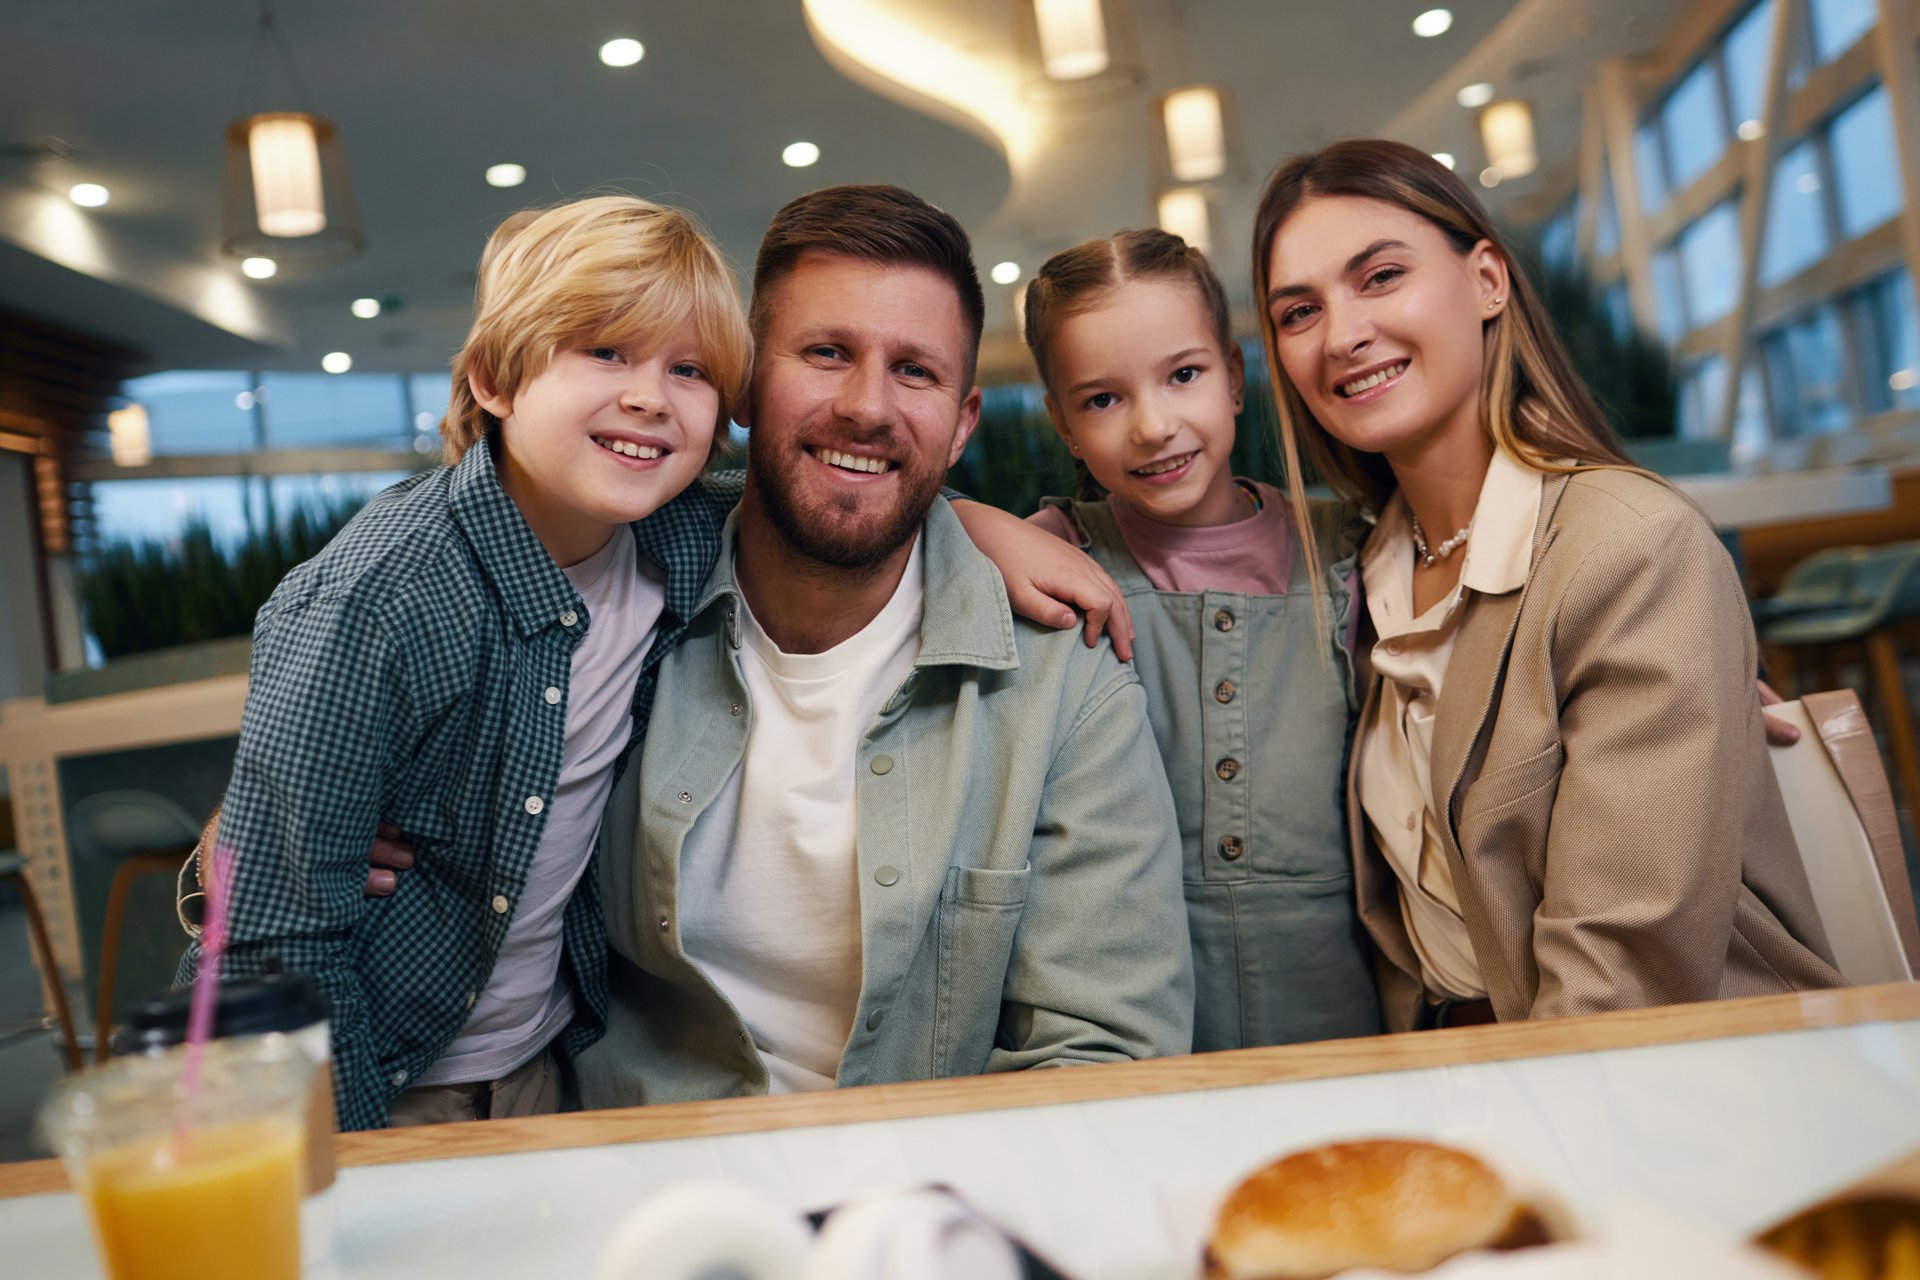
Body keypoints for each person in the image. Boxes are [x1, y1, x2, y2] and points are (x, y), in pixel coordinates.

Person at [575, 184, 1194, 1105]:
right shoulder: (611, 602)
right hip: (642, 1193)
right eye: (826, 353)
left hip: (931, 1207)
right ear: (746, 382)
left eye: (916, 372)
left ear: (962, 424)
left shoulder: (1066, 683)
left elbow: (1106, 1051)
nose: (867, 407)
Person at [179, 196, 755, 1129]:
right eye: (605, 351)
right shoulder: (379, 598)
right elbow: (277, 934)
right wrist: (352, 1160)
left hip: (546, 1053)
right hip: (366, 1076)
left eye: (689, 370)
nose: (650, 395)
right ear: (495, 378)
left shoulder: (680, 532)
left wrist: (989, 530)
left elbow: (831, 486)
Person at [1249, 139, 1844, 1029]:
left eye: (1379, 277)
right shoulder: (1358, 576)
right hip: (1463, 1076)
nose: (1341, 334)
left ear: (1488, 280)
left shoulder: (1629, 549)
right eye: (1298, 312)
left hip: (1667, 1083)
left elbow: (1626, 968)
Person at [1005, 228, 1380, 1051]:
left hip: (1342, 1008)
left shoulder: (1350, 548)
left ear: (1236, 378)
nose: (1152, 426)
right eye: (1102, 400)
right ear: (1063, 424)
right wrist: (977, 524)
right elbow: (915, 550)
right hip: (1136, 1016)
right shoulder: (1052, 551)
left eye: (1183, 375)